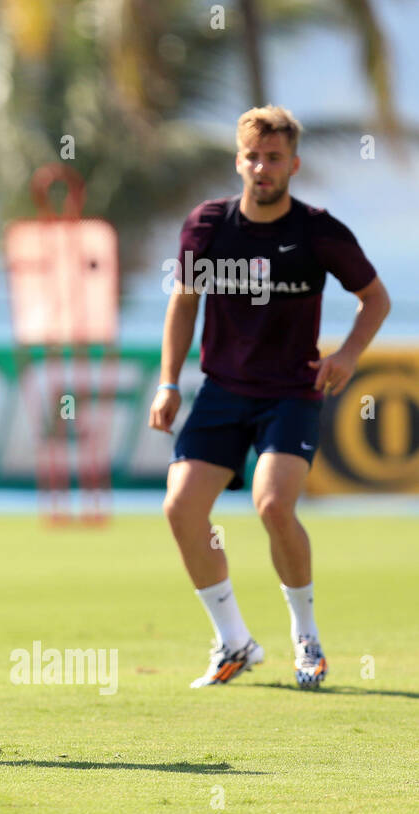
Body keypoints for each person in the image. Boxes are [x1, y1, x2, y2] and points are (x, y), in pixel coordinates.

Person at [149, 106, 390, 690]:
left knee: (273, 506)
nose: (262, 167)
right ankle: (234, 641)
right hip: (222, 391)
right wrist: (169, 381)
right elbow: (183, 304)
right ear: (239, 161)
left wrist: (348, 355)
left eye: (274, 157)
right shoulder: (207, 226)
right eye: (253, 156)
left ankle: (306, 638)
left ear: (293, 165)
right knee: (180, 508)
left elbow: (375, 298)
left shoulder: (318, 231)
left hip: (291, 393)